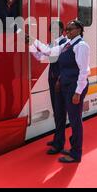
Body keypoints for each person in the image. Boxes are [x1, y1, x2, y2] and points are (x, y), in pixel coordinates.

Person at [32, 20, 90, 163]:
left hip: (74, 86)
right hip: (66, 84)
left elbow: (84, 71)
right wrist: (32, 42)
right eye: (67, 29)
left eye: (70, 29)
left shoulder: (81, 46)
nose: (67, 32)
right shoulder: (66, 45)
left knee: (75, 120)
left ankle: (76, 153)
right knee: (69, 116)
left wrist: (78, 92)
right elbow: (48, 52)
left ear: (79, 30)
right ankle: (71, 148)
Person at [30, 21, 68, 153]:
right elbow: (40, 57)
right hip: (53, 80)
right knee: (56, 111)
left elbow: (47, 52)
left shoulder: (64, 44)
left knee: (60, 112)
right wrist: (31, 46)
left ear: (63, 30)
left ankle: (59, 144)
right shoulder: (54, 43)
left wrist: (32, 40)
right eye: (51, 30)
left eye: (56, 29)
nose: (53, 32)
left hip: (59, 81)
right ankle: (57, 138)